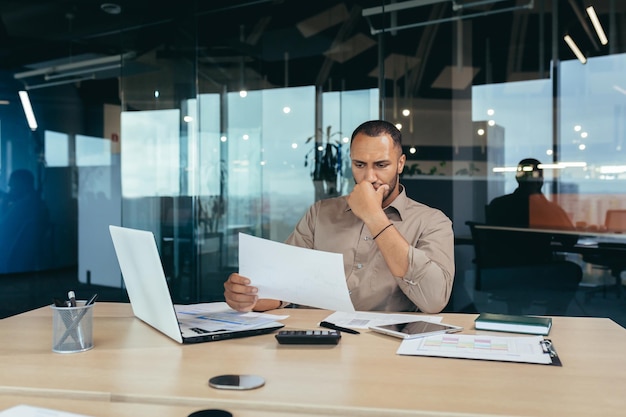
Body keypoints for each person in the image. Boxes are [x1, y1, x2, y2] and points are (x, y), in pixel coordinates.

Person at [224, 120, 455, 313]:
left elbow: (434, 300)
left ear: (400, 164)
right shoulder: (319, 214)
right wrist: (249, 297)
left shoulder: (433, 222)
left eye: (381, 165)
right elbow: (282, 288)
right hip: (314, 344)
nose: (369, 177)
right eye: (360, 164)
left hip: (383, 350)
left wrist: (374, 217)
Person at [486, 158, 575, 231]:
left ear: (517, 178)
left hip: (504, 253)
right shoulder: (548, 210)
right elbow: (570, 240)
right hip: (537, 253)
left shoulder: (497, 204)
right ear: (540, 180)